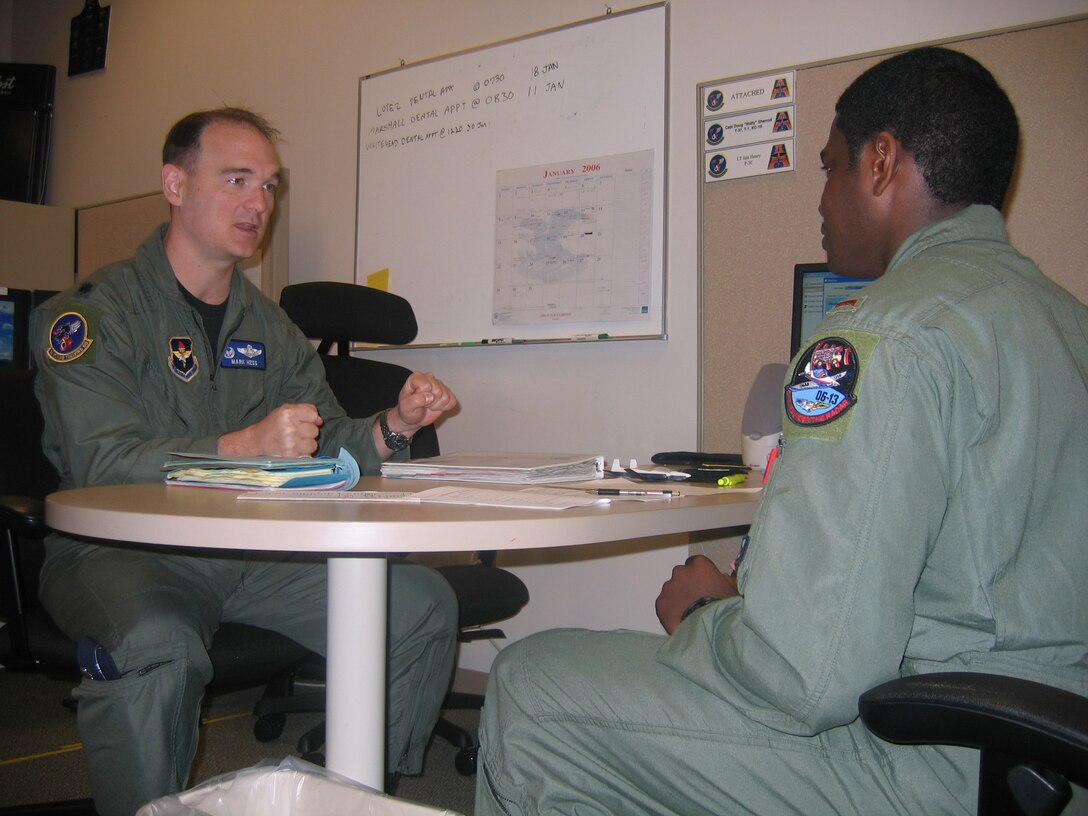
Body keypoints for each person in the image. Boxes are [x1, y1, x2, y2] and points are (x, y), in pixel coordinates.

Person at [474, 47, 1088, 815]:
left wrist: (705, 615)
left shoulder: (878, 339)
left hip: (934, 763)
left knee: (533, 685)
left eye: (830, 168)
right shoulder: (1068, 325)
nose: (821, 201)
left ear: (881, 162)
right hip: (1050, 755)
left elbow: (808, 677)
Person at [30, 107, 460, 816]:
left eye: (269, 185)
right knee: (158, 645)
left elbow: (324, 449)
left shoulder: (271, 328)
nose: (259, 203)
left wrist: (392, 426)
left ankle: (357, 799)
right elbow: (98, 460)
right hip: (121, 553)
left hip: (248, 549)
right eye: (237, 179)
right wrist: (244, 446)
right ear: (174, 184)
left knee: (416, 607)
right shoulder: (92, 316)